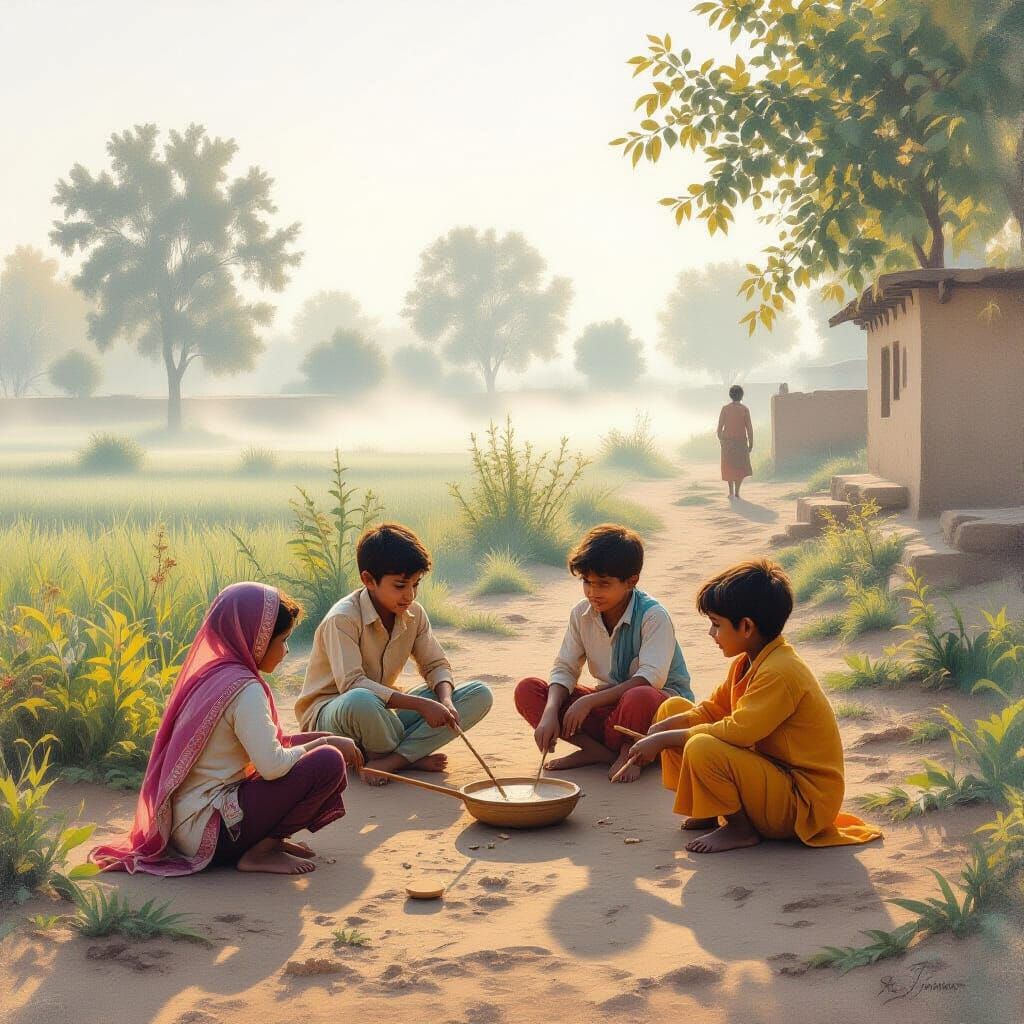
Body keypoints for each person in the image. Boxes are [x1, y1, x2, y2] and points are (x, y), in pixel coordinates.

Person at [90, 583, 362, 877]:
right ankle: (261, 851)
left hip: (185, 826)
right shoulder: (245, 690)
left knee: (324, 751)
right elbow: (272, 766)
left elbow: (273, 744)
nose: (285, 651)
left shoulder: (215, 675)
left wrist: (325, 738)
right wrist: (326, 745)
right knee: (329, 763)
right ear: (256, 640)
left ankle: (264, 840)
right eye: (282, 640)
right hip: (212, 828)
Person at [627, 559, 883, 854]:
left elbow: (738, 733)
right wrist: (661, 728)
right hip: (772, 781)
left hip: (801, 800)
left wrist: (662, 740)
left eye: (716, 624)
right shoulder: (747, 662)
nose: (711, 633)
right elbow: (712, 710)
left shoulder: (780, 671)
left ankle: (740, 829)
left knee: (701, 745)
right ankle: (708, 807)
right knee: (672, 710)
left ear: (746, 626)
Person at [295, 522, 492, 785]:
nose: (409, 595)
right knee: (361, 700)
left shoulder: (415, 614)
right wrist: (422, 705)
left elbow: (436, 664)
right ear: (368, 580)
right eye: (400, 585)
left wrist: (444, 700)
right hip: (333, 717)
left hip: (381, 714)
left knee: (478, 693)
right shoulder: (342, 619)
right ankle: (405, 755)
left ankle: (392, 760)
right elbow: (352, 684)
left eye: (416, 584)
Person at [514, 524, 694, 783]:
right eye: (586, 582)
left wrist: (587, 702)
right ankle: (596, 752)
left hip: (657, 715)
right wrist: (550, 713)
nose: (592, 592)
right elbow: (565, 668)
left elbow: (650, 679)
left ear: (632, 581)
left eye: (603, 584)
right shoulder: (581, 614)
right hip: (611, 709)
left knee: (639, 695)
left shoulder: (654, 615)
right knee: (528, 689)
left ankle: (630, 753)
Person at [718, 384, 754, 499]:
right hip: (741, 443)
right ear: (741, 396)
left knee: (729, 467)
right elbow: (749, 428)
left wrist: (722, 441)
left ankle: (730, 492)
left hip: (727, 442)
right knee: (739, 468)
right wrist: (751, 443)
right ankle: (737, 492)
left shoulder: (725, 409)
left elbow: (719, 429)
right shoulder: (744, 410)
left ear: (730, 395)